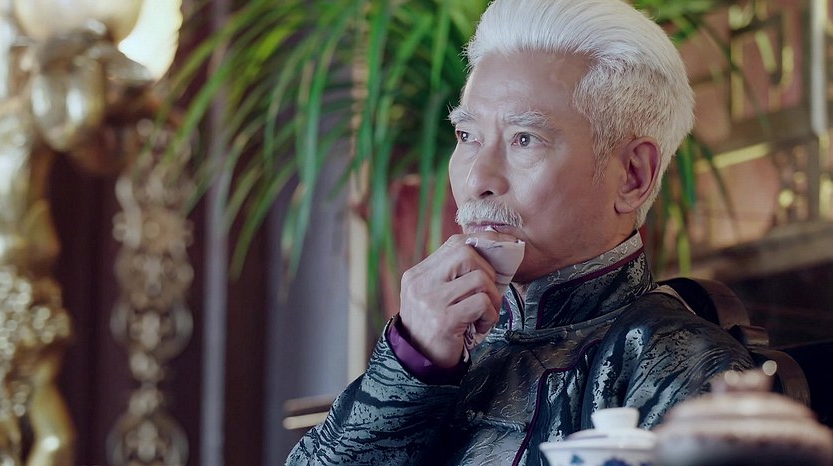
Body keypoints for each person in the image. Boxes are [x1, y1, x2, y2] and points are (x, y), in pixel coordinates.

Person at [288, 0, 753, 464]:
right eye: (467, 136)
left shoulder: (682, 370)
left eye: (524, 139)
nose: (477, 179)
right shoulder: (442, 352)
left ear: (633, 176)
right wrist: (413, 362)